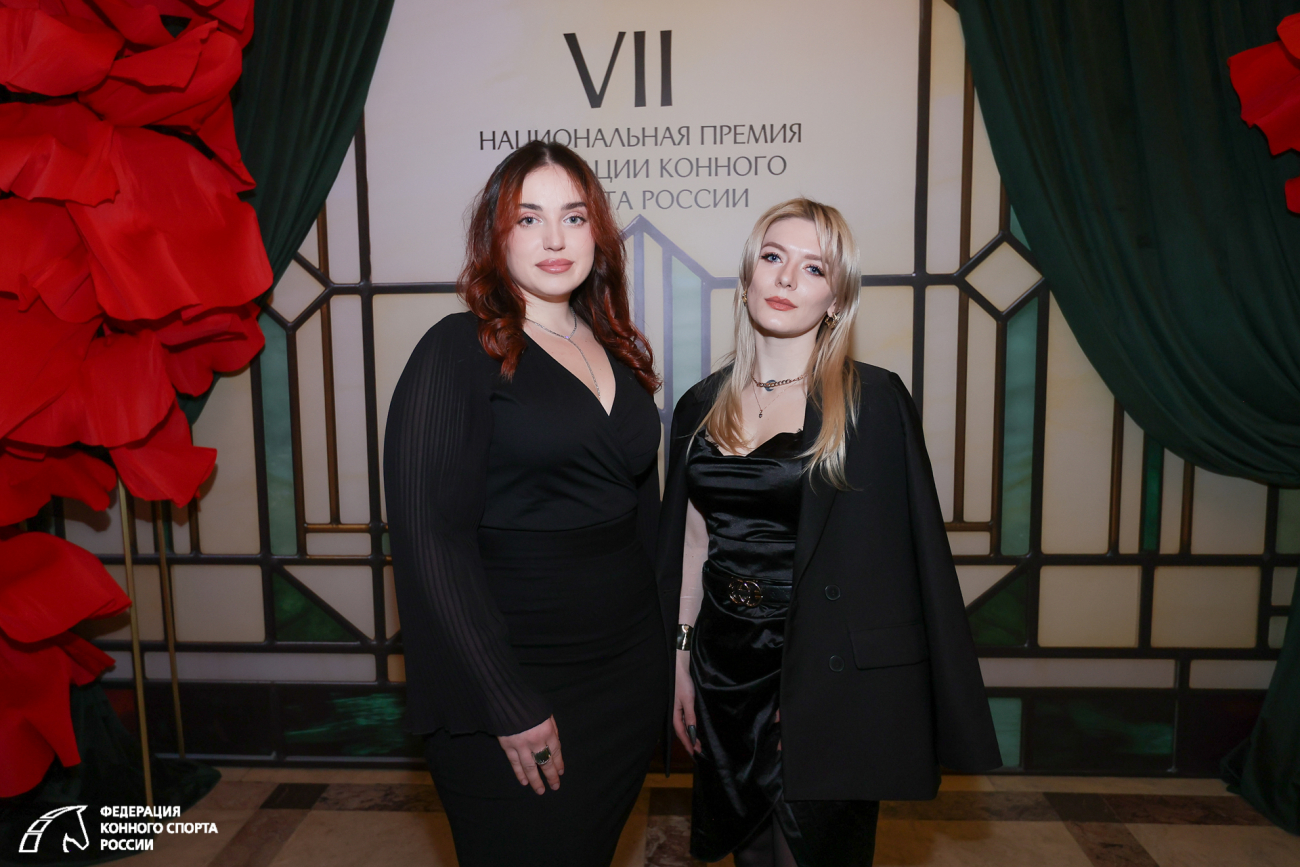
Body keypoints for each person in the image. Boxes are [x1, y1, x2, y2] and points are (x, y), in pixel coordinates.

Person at [659, 199, 1003, 867]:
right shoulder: (699, 405)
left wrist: (836, 691)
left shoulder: (873, 402)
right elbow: (694, 544)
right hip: (726, 669)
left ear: (837, 298)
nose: (787, 278)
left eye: (813, 268)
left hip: (825, 674)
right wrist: (680, 656)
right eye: (773, 257)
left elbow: (903, 565)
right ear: (747, 276)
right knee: (750, 852)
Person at [383, 140, 668, 867]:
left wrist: (670, 658)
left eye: (573, 217)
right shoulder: (457, 349)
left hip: (626, 675)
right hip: (515, 673)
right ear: (496, 236)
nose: (554, 239)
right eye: (528, 218)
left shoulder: (615, 346)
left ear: (597, 233)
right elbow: (429, 539)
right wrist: (505, 697)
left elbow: (647, 516)